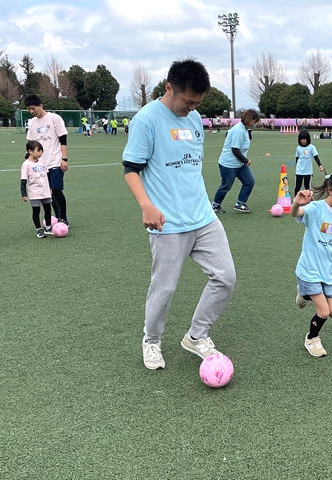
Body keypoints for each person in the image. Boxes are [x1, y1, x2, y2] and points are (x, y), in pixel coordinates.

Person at [122, 58, 236, 370]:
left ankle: (196, 336)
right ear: (169, 88)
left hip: (202, 217)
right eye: (188, 101)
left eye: (197, 103)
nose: (192, 108)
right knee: (165, 288)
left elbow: (189, 167)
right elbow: (131, 170)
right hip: (168, 222)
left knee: (225, 277)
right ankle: (152, 340)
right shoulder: (146, 120)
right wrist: (147, 205)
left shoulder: (195, 119)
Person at [291, 168, 332, 357]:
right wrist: (297, 203)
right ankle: (312, 339)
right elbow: (294, 214)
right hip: (310, 270)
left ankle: (304, 294)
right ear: (331, 190)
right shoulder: (316, 209)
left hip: (328, 271)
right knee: (323, 311)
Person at [25, 94, 70, 226]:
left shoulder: (54, 118)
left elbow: (63, 139)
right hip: (40, 164)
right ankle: (57, 218)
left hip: (55, 161)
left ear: (40, 105)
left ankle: (63, 218)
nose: (32, 111)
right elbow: (30, 144)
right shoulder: (32, 123)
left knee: (56, 189)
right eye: (29, 109)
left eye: (33, 108)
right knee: (48, 194)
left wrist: (64, 158)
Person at [211, 109, 260, 214]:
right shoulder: (239, 130)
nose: (255, 124)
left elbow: (228, 134)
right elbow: (235, 149)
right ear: (249, 119)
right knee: (226, 185)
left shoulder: (244, 129)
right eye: (254, 121)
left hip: (239, 164)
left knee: (249, 181)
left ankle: (240, 203)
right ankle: (215, 205)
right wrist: (246, 160)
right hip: (229, 164)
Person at [20, 140, 54, 238]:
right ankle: (39, 229)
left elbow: (47, 175)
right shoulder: (26, 165)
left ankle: (48, 227)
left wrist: (50, 187)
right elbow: (23, 180)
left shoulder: (42, 161)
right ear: (30, 151)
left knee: (48, 209)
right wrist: (24, 194)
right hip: (35, 192)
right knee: (36, 211)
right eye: (38, 151)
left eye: (41, 151)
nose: (41, 153)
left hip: (45, 190)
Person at [294, 129, 324, 196]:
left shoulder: (311, 147)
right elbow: (297, 158)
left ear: (308, 139)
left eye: (305, 139)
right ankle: (296, 199)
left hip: (308, 171)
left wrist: (320, 165)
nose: (303, 141)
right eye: (302, 139)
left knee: (307, 186)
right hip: (299, 171)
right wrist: (296, 167)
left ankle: (308, 199)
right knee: (297, 186)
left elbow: (316, 157)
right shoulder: (298, 148)